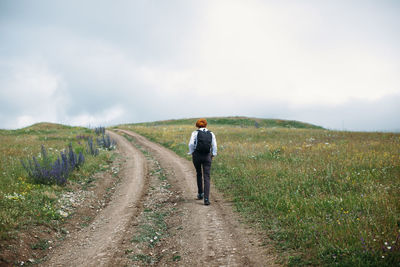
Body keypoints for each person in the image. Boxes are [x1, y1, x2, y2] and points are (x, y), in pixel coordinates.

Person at [188, 118, 217, 205]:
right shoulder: (211, 133)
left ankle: (200, 193)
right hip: (207, 156)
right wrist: (213, 154)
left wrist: (192, 152)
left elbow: (191, 144)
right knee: (207, 176)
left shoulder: (195, 133)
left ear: (197, 125)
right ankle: (206, 199)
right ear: (206, 125)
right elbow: (214, 145)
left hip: (197, 155)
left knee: (198, 173)